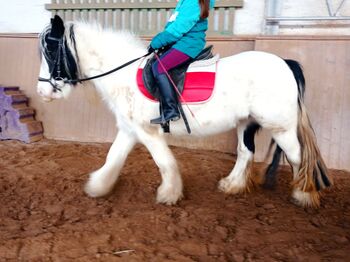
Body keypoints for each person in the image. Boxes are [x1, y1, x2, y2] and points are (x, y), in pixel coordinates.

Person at [149, 0, 215, 125]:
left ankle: (171, 110)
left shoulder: (192, 2)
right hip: (182, 42)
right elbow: (173, 24)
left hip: (187, 45)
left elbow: (178, 28)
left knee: (158, 67)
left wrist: (156, 42)